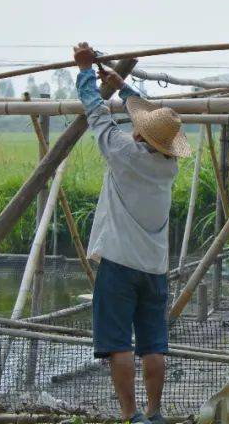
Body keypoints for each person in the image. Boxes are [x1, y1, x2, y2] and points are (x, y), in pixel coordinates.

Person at [74, 43, 190, 424]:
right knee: (154, 345)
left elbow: (95, 112)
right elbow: (150, 119)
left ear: (139, 135)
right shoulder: (168, 168)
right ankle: (155, 413)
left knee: (117, 345)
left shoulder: (123, 154)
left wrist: (84, 71)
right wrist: (123, 87)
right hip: (154, 270)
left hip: (119, 265)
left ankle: (130, 414)